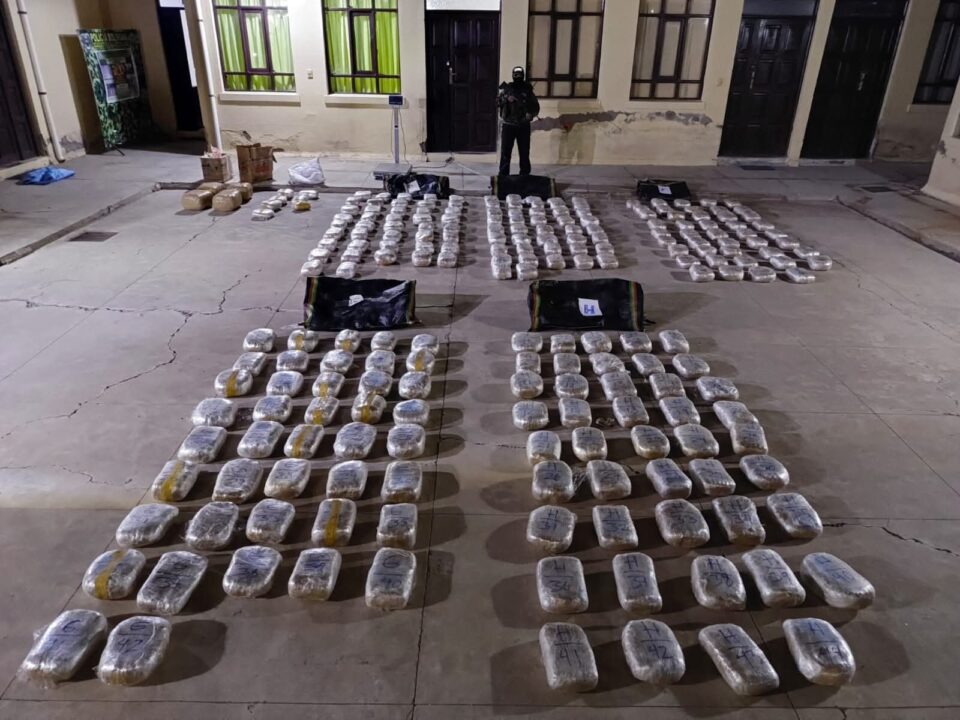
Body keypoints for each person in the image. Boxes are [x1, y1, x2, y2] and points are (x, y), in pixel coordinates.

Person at [497, 66, 540, 176]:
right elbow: (497, 102)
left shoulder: (528, 90)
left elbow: (535, 107)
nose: (518, 77)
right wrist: (506, 99)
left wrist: (531, 114)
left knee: (524, 153)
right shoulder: (507, 89)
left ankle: (524, 176)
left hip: (523, 125)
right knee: (505, 153)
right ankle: (503, 177)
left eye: (519, 75)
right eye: (516, 75)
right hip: (508, 125)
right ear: (513, 75)